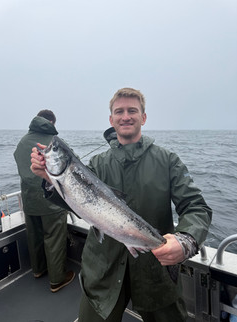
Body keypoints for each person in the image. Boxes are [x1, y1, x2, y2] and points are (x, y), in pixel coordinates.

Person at [30, 89, 212, 321]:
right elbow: (76, 203)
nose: (125, 116)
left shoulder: (168, 160)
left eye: (132, 110)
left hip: (154, 269)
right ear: (111, 119)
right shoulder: (97, 164)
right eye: (119, 111)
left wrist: (186, 239)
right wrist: (48, 180)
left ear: (143, 118)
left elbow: (197, 206)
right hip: (102, 268)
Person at [14, 109, 75, 293]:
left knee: (35, 237)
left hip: (29, 201)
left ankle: (38, 270)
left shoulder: (22, 141)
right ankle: (57, 280)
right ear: (51, 123)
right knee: (54, 239)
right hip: (51, 202)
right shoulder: (53, 142)